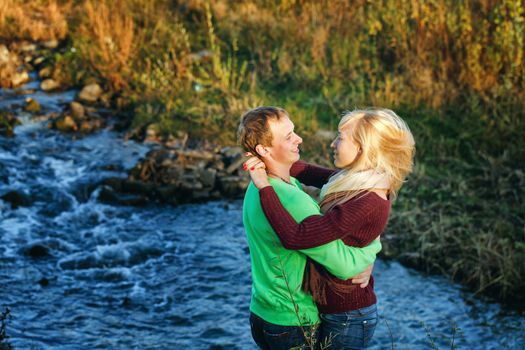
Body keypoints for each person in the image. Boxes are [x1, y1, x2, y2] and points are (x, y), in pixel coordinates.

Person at [245, 108, 415, 349]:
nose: (333, 143)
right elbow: (309, 172)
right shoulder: (356, 180)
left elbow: (297, 236)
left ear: (362, 149)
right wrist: (270, 158)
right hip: (332, 308)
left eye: (340, 138)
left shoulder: (368, 199)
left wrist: (265, 186)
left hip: (348, 314)